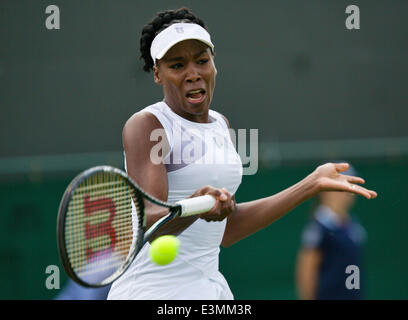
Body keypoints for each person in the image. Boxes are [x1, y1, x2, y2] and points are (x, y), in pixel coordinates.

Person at [107, 7, 377, 300]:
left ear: (214, 64)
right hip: (153, 293)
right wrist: (197, 204)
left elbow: (228, 229)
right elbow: (151, 219)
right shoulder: (147, 125)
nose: (193, 74)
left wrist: (309, 185)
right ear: (157, 73)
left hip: (209, 289)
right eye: (177, 65)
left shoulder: (221, 125)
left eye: (202, 61)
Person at [295, 163, 367, 300]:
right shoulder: (319, 227)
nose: (346, 193)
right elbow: (307, 271)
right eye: (340, 187)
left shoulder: (354, 226)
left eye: (350, 188)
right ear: (325, 192)